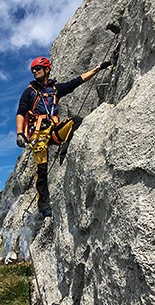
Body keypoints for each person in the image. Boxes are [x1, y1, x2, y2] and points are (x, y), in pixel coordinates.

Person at [15, 57, 111, 218]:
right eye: (33, 70)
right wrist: (20, 133)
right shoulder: (29, 92)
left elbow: (77, 81)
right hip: (38, 135)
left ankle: (65, 153)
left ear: (46, 69)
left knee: (76, 121)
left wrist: (98, 68)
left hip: (53, 130)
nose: (34, 72)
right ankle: (44, 206)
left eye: (38, 68)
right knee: (42, 170)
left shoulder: (55, 90)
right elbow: (21, 112)